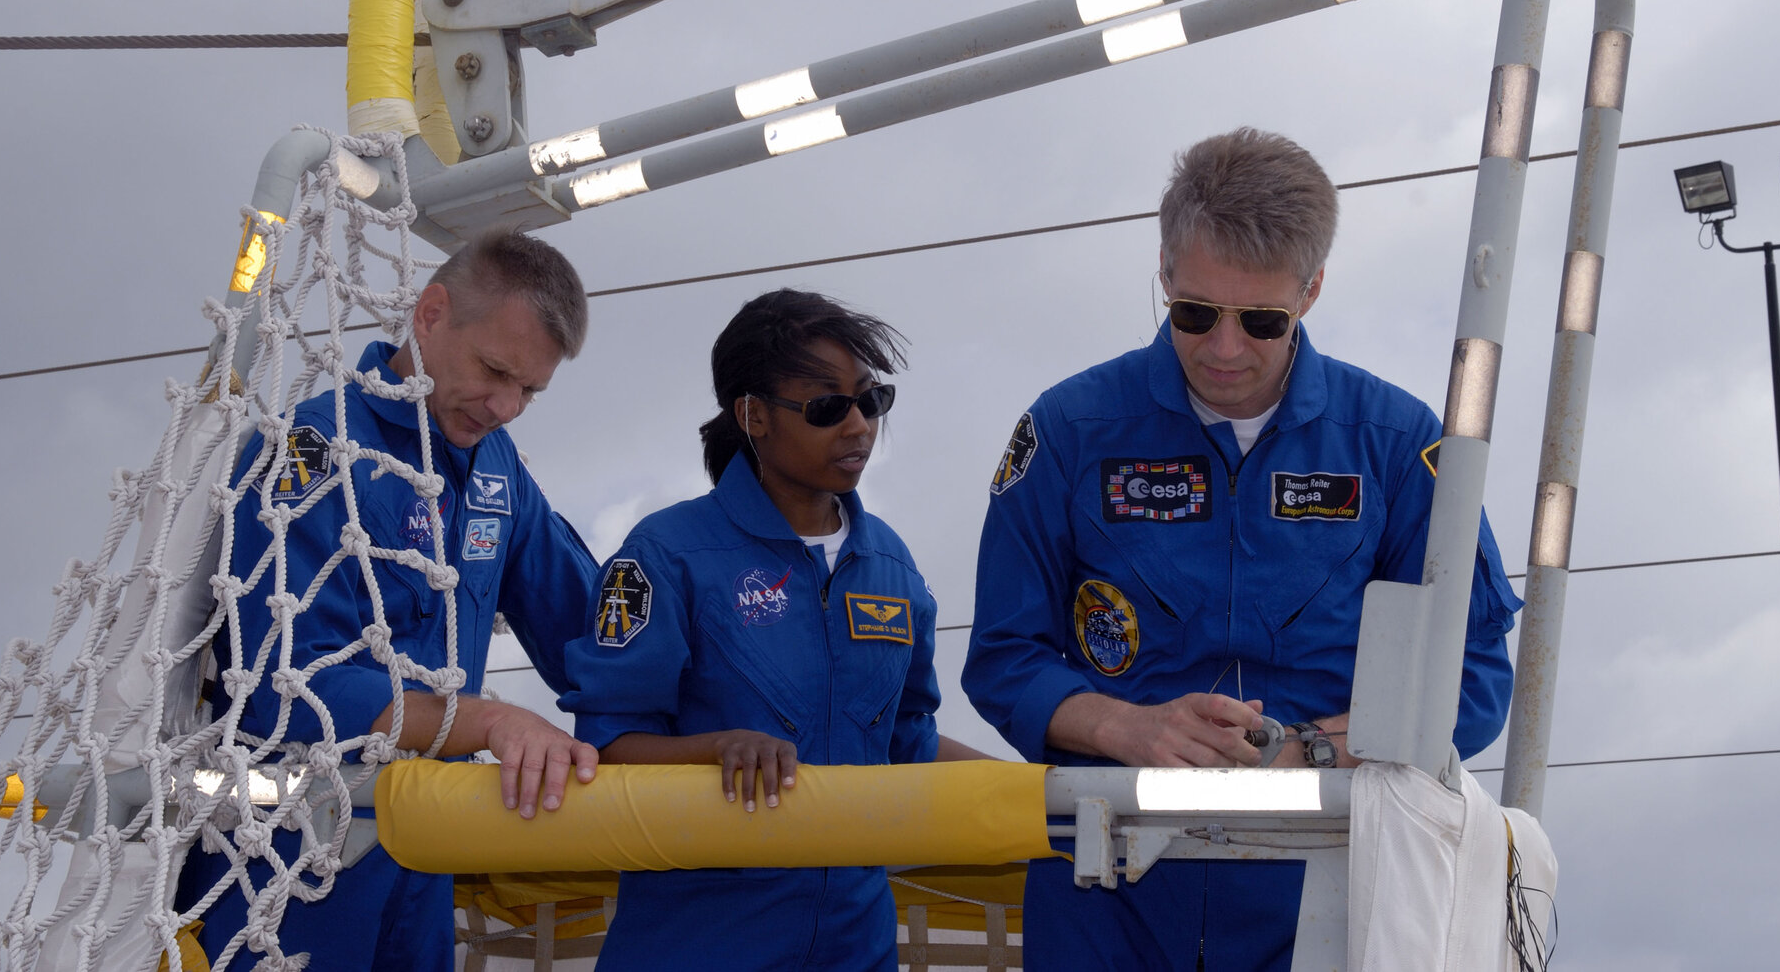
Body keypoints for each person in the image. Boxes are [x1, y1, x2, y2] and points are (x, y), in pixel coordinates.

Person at [961, 128, 1524, 972]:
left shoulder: (1396, 445)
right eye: (1194, 313)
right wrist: (1127, 728)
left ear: (1312, 291)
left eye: (1259, 319)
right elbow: (1004, 656)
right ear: (1162, 273)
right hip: (1104, 889)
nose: (1223, 349)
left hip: (1328, 887)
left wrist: (1314, 750)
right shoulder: (1068, 432)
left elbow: (1474, 676)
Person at [180, 228, 605, 971]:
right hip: (284, 861)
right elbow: (288, 684)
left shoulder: (495, 465)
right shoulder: (314, 449)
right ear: (431, 314)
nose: (507, 406)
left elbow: (592, 636)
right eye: (496, 370)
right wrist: (492, 719)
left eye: (530, 390)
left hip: (421, 853)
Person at [559, 289, 987, 972]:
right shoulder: (666, 554)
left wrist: (1045, 794)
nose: (858, 427)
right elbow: (608, 746)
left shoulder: (892, 567)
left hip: (858, 947)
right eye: (827, 407)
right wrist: (719, 747)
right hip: (693, 947)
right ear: (753, 415)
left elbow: (907, 741)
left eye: (871, 400)